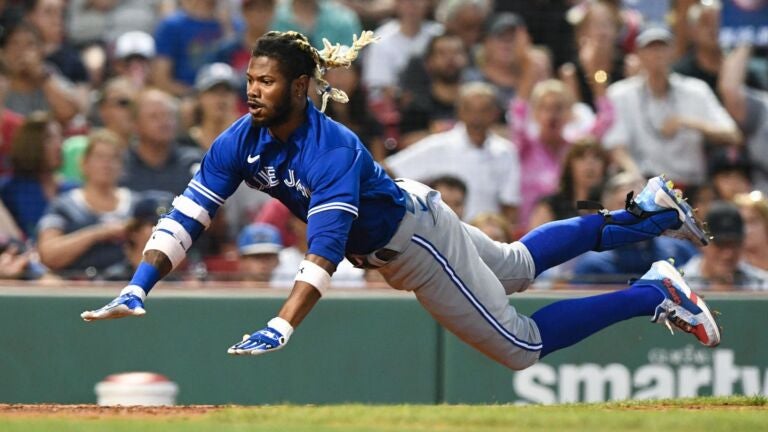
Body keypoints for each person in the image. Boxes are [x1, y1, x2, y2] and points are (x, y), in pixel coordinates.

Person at [81, 30, 721, 373]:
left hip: (411, 243)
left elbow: (326, 247)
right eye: (249, 79)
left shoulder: (329, 146)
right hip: (408, 213)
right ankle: (650, 216)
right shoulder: (237, 139)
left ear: (301, 87)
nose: (252, 90)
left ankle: (652, 293)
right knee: (520, 266)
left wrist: (282, 324)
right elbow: (188, 215)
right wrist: (140, 286)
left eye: (266, 81)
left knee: (521, 347)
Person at [603, 25, 740, 187]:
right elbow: (615, 146)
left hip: (690, 186)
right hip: (644, 185)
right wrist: (637, 179)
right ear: (639, 54)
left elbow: (733, 135)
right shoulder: (620, 94)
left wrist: (686, 122)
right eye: (650, 48)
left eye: (662, 48)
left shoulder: (696, 90)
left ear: (673, 52)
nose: (657, 54)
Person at [386, 82, 521, 225]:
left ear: (495, 113)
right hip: (443, 234)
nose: (477, 117)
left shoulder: (506, 152)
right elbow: (390, 170)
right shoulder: (439, 145)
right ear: (460, 112)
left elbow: (510, 205)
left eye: (484, 110)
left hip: (485, 236)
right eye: (470, 110)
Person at [37, 129, 135, 278]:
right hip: (76, 285)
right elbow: (48, 254)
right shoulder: (64, 205)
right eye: (100, 157)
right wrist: (98, 233)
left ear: (122, 166)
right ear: (84, 163)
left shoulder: (136, 205)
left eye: (113, 158)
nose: (106, 164)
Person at [681, 201, 768, 291]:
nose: (728, 254)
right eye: (720, 245)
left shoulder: (760, 284)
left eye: (734, 245)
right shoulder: (680, 283)